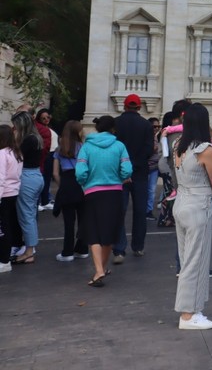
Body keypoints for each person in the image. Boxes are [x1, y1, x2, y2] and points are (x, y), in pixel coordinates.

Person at [171, 103, 212, 329]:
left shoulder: (177, 146)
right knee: (196, 259)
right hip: (198, 204)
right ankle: (188, 314)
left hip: (181, 201)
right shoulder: (205, 149)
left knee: (187, 258)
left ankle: (193, 308)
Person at [75, 115, 132, 286]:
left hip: (93, 192)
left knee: (94, 232)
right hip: (114, 192)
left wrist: (85, 183)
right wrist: (120, 178)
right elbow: (127, 169)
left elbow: (80, 172)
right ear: (113, 129)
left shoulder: (87, 147)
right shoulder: (119, 146)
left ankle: (99, 270)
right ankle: (102, 268)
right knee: (109, 233)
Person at [112, 93, 155, 263]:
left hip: (119, 174)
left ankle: (119, 249)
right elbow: (148, 149)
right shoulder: (146, 125)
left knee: (119, 212)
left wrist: (124, 169)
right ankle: (138, 246)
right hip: (140, 173)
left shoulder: (116, 123)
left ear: (124, 106)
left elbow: (114, 148)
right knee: (139, 211)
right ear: (139, 107)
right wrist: (135, 165)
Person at [12, 111, 43, 265]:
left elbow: (16, 157)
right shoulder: (35, 138)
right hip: (35, 176)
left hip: (27, 177)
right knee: (29, 214)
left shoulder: (27, 140)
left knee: (26, 215)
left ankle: (29, 251)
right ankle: (30, 249)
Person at [54, 121, 88, 262]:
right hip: (81, 184)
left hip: (67, 183)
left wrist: (64, 185)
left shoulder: (60, 149)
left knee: (68, 221)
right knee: (83, 219)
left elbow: (55, 173)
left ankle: (67, 252)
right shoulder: (84, 148)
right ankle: (82, 249)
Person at [0, 125, 23, 274]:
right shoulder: (16, 152)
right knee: (6, 226)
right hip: (13, 192)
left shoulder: (2, 154)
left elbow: (0, 177)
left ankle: (4, 260)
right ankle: (5, 258)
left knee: (3, 228)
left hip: (4, 193)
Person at [34, 108, 55, 210]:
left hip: (51, 154)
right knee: (41, 178)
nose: (46, 119)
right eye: (43, 118)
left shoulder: (49, 128)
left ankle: (45, 200)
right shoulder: (40, 129)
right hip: (45, 154)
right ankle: (39, 201)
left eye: (48, 117)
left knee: (47, 178)